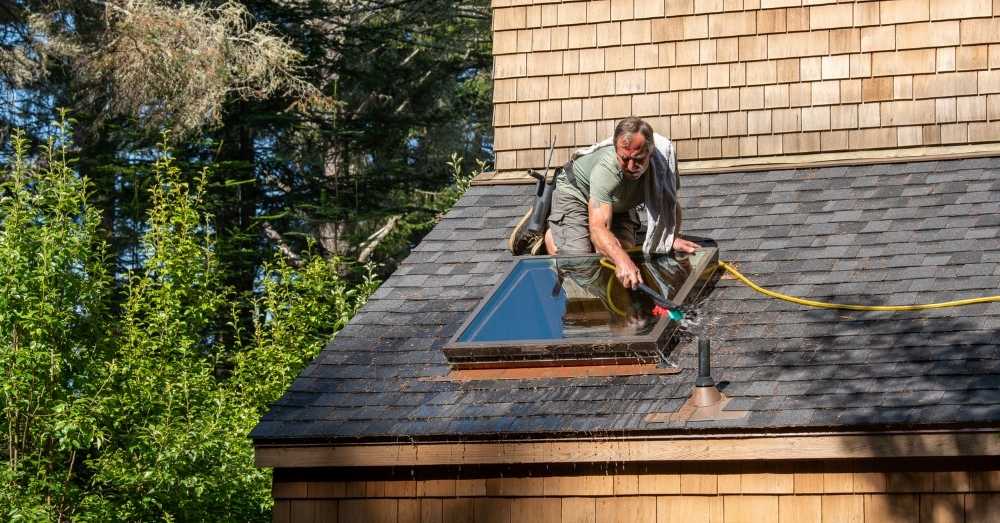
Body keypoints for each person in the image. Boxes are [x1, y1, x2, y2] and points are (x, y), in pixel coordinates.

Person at [542, 117, 699, 289]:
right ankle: (554, 236)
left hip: (618, 201)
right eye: (624, 159)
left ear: (650, 151)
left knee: (625, 251)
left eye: (638, 159)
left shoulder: (663, 164)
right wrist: (621, 260)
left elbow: (670, 204)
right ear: (616, 150)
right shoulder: (607, 169)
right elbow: (598, 229)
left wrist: (669, 238)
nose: (631, 166)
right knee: (581, 262)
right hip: (576, 193)